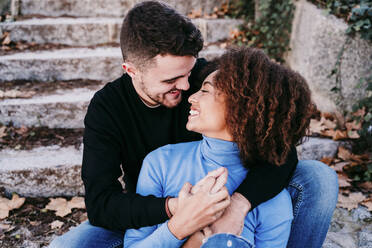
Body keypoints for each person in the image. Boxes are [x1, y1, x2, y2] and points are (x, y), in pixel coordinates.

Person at [49, 1, 338, 248]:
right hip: (155, 207)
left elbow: (278, 142)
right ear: (131, 71)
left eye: (189, 72)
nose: (187, 87)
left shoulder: (203, 78)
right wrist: (179, 211)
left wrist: (238, 205)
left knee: (317, 178)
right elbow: (101, 204)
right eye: (170, 80)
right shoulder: (107, 108)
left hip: (230, 190)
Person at [124, 47, 311, 247]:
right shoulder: (160, 162)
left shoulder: (274, 199)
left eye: (205, 91)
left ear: (243, 108)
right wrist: (180, 228)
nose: (191, 97)